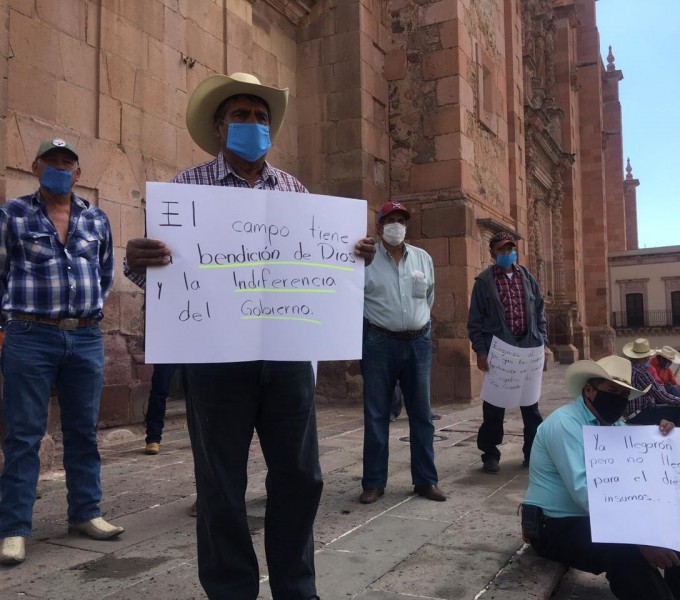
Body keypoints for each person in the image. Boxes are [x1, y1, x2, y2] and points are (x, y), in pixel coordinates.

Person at [125, 72, 376, 599]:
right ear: (219, 127)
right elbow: (160, 270)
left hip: (287, 359)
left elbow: (321, 266)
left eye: (261, 117)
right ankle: (231, 590)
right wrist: (138, 262)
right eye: (241, 115)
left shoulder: (295, 191)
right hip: (216, 360)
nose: (253, 125)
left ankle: (296, 588)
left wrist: (353, 258)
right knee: (220, 486)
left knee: (301, 477)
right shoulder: (185, 190)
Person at [0, 138, 123, 565]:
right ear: (35, 167)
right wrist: (7, 328)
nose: (59, 168)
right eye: (51, 162)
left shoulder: (97, 219)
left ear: (78, 172)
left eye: (67, 163)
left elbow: (105, 272)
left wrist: (89, 311)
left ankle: (86, 513)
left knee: (84, 432)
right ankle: (13, 528)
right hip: (30, 334)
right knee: (23, 434)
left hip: (86, 336)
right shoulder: (12, 214)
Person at [521, 355, 680, 600]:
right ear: (589, 390)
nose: (619, 399)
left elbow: (641, 474)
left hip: (596, 517)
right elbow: (586, 493)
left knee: (678, 523)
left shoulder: (616, 427)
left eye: (624, 394)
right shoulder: (564, 424)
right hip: (555, 524)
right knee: (626, 549)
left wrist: (663, 440)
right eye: (612, 390)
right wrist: (642, 540)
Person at [359, 201, 445, 504]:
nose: (397, 225)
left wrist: (415, 324)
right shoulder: (366, 260)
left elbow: (429, 297)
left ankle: (426, 480)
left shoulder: (422, 258)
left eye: (401, 220)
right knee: (377, 413)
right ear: (380, 226)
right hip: (379, 343)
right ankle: (373, 482)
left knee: (422, 413)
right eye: (390, 220)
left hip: (418, 342)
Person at [467, 231, 547, 473]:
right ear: (492, 252)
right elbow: (475, 322)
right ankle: (490, 453)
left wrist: (542, 341)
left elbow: (540, 313)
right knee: (494, 406)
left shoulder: (528, 279)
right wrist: (481, 351)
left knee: (531, 408)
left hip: (528, 350)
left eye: (510, 248)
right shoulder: (484, 283)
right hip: (500, 353)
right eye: (501, 249)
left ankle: (532, 453)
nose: (507, 253)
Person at [621, 338, 680, 429]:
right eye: (647, 356)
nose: (648, 358)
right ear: (644, 357)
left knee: (673, 397)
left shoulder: (627, 368)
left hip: (629, 414)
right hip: (640, 414)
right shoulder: (642, 373)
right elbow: (661, 395)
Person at [143, 363, 178, 455]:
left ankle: (204, 435)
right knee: (160, 388)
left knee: (199, 388)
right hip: (167, 350)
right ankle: (153, 438)